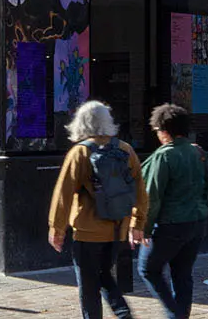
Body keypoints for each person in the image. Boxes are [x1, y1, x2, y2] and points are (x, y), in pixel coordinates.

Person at [47, 100, 148, 319]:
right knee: (104, 276)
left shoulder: (80, 153)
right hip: (116, 231)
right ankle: (123, 313)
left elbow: (63, 193)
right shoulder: (125, 150)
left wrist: (57, 228)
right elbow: (140, 190)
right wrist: (137, 223)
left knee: (89, 286)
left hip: (87, 233)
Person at [139, 104, 208, 319]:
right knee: (182, 274)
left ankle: (176, 315)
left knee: (148, 270)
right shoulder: (197, 151)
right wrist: (196, 204)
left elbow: (152, 196)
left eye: (156, 131)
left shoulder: (164, 156)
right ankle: (180, 315)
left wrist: (144, 229)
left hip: (170, 224)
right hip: (197, 222)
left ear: (164, 130)